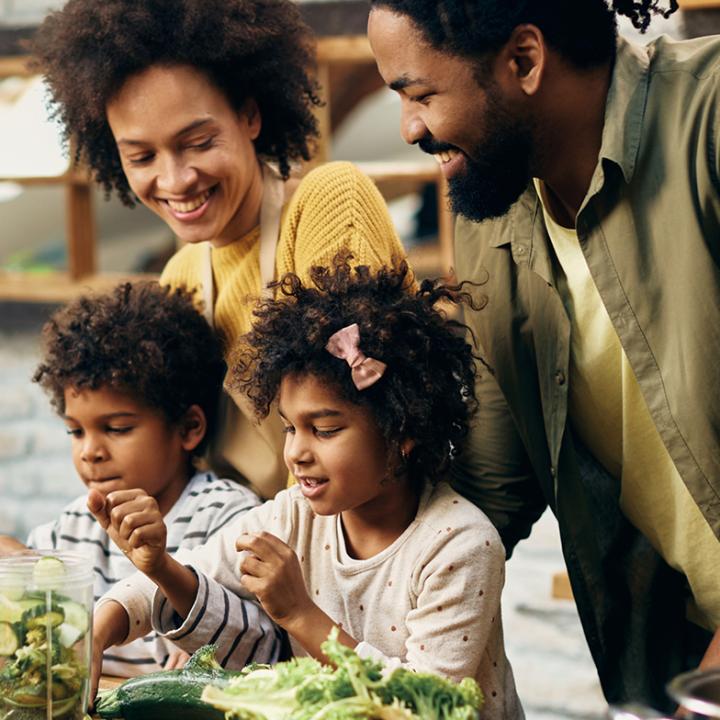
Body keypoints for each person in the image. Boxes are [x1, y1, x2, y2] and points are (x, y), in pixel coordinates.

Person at [367, 0, 720, 711]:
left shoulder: (709, 121)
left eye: (421, 94)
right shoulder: (491, 213)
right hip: (681, 642)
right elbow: (489, 490)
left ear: (524, 60)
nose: (410, 129)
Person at [88, 256, 523, 719]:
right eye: (290, 428)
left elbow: (423, 706)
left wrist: (301, 615)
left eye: (325, 429)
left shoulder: (459, 544)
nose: (296, 452)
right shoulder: (294, 515)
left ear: (402, 432)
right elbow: (200, 567)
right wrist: (101, 627)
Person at [32, 0, 407, 500]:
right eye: (141, 156)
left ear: (250, 115)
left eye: (199, 142)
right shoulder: (181, 275)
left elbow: (357, 427)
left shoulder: (329, 202)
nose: (174, 180)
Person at [0, 282, 277, 676]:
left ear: (188, 428)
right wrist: (19, 564)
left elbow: (263, 644)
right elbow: (38, 594)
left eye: (116, 428)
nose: (89, 451)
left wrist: (197, 639)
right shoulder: (76, 524)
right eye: (76, 431)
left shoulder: (226, 516)